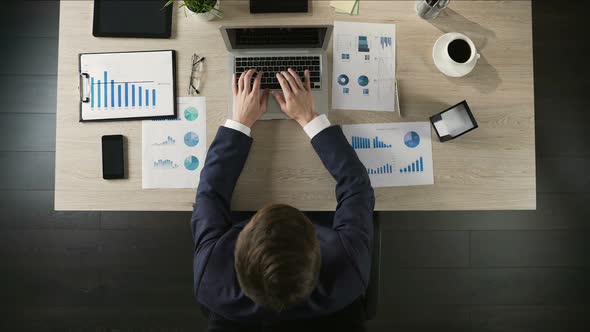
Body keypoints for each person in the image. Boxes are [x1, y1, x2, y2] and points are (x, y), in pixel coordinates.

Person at [191, 68, 375, 331]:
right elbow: (357, 186)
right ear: (317, 245)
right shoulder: (348, 269)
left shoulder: (212, 275)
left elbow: (209, 192)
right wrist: (309, 117)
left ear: (237, 254)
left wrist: (240, 122)